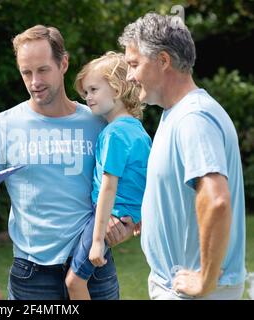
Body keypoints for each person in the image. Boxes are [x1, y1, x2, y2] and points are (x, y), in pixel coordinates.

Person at [0, 25, 135, 300]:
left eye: (43, 69)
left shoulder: (99, 123)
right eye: (26, 72)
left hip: (93, 268)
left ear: (64, 63)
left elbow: (130, 182)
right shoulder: (1, 127)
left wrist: (127, 226)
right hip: (31, 276)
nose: (35, 81)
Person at [118, 13, 246, 299]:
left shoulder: (193, 118)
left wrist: (205, 280)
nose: (129, 76)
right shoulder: (175, 114)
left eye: (134, 64)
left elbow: (216, 201)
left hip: (194, 293)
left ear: (163, 61)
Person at [65, 52, 151, 299]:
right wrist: (138, 216)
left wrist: (96, 239)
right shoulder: (137, 129)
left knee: (74, 282)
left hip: (108, 218)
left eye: (93, 89)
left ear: (117, 89)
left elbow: (108, 188)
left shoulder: (114, 134)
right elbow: (143, 178)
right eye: (85, 93)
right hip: (125, 216)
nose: (88, 98)